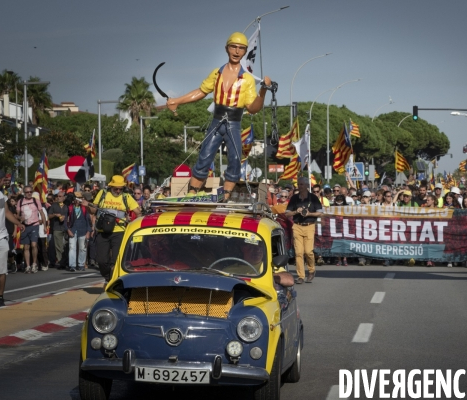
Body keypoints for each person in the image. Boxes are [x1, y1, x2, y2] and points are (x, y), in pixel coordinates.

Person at [166, 32, 272, 201]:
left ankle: (226, 195)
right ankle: (192, 192)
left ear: (245, 52)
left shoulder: (247, 79)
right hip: (217, 120)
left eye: (241, 48)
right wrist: (178, 100)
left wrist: (263, 91)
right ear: (227, 48)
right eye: (233, 47)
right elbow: (201, 92)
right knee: (205, 154)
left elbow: (253, 108)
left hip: (234, 122)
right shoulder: (217, 73)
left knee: (235, 158)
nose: (237, 51)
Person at [83, 175, 141, 285]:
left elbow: (138, 213)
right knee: (101, 261)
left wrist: (131, 225)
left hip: (119, 232)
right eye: (116, 188)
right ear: (111, 187)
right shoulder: (102, 194)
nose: (118, 191)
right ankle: (108, 277)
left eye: (120, 188)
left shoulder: (126, 196)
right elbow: (93, 210)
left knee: (116, 261)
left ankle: (113, 282)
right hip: (102, 231)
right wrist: (87, 205)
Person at [285, 177, 323, 284]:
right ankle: (300, 276)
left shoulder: (313, 198)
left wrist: (309, 214)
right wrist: (296, 212)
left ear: (306, 185)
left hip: (309, 225)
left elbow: (320, 212)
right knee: (298, 252)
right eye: (298, 184)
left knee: (308, 251)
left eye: (301, 184)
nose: (299, 186)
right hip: (297, 226)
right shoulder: (294, 198)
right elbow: (287, 213)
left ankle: (311, 270)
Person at [0, 171, 26, 306]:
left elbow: (7, 212)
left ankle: (0, 296)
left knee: (2, 269)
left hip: (1, 237)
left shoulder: (1, 196)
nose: (3, 182)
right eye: (2, 180)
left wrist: (18, 223)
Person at [16, 186, 47, 273]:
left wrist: (44, 226)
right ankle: (28, 265)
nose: (29, 193)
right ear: (24, 193)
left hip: (35, 224)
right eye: (27, 192)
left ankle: (34, 264)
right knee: (26, 247)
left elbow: (42, 213)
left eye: (30, 192)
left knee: (34, 245)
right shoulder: (20, 201)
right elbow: (16, 215)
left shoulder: (35, 201)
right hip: (25, 226)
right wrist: (20, 218)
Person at [66, 192, 92, 271]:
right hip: (73, 230)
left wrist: (88, 232)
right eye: (77, 198)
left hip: (83, 230)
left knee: (82, 248)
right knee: (72, 247)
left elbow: (88, 221)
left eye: (80, 198)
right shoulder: (69, 208)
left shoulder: (84, 209)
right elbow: (65, 221)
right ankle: (72, 265)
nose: (78, 200)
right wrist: (68, 230)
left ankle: (81, 265)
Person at [48, 191, 69, 269]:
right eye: (58, 196)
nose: (58, 198)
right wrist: (55, 215)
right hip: (57, 228)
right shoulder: (54, 205)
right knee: (58, 246)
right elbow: (49, 216)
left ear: (64, 197)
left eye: (60, 196)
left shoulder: (67, 206)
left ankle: (66, 261)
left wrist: (66, 218)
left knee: (66, 246)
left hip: (66, 227)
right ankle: (61, 262)